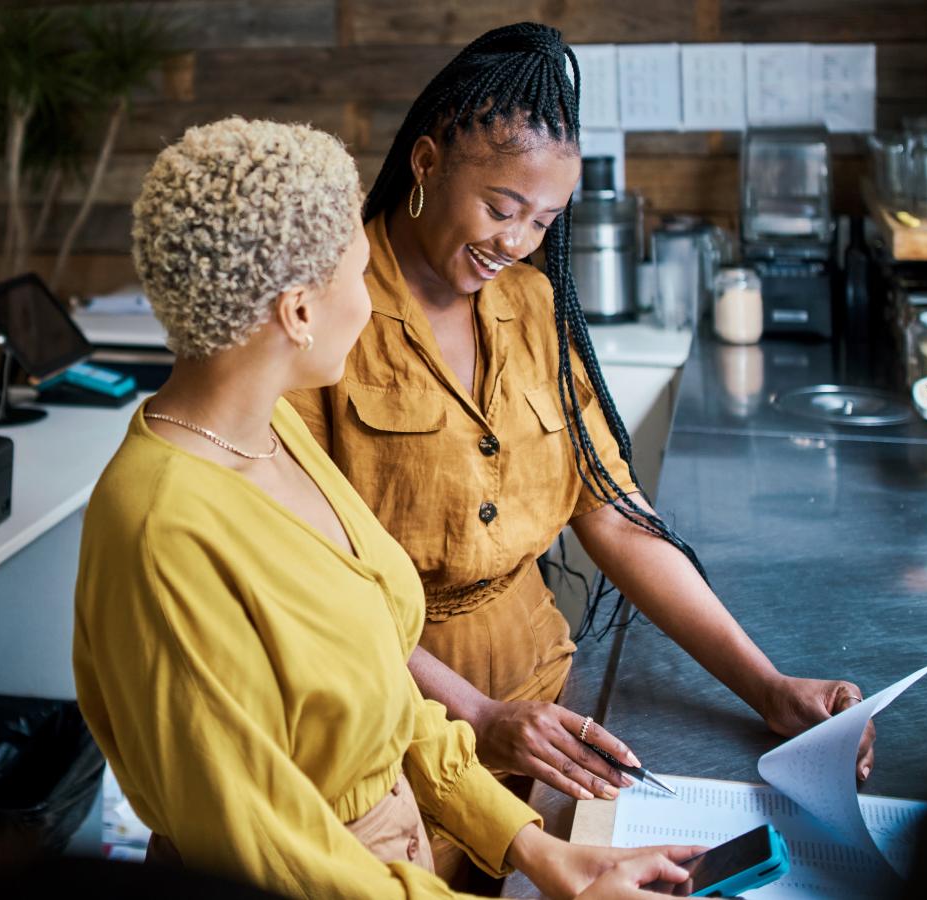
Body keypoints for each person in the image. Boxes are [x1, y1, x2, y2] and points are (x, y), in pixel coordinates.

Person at [285, 23, 875, 880]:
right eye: (499, 207)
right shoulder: (330, 308)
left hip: (542, 706)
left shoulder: (531, 305)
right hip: (390, 721)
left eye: (545, 219)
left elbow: (615, 513)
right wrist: (476, 714)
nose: (517, 242)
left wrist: (770, 689)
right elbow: (308, 578)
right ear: (425, 163)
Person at [71, 116, 702, 899]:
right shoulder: (160, 529)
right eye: (361, 275)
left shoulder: (269, 433)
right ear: (300, 312)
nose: (374, 310)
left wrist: (539, 852)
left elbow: (379, 686)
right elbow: (270, 852)